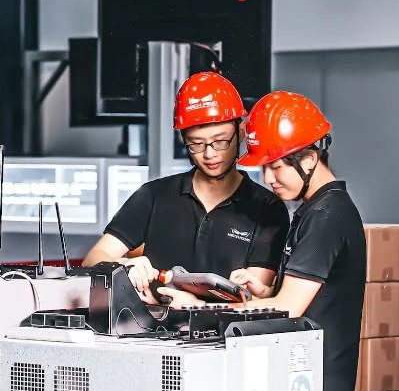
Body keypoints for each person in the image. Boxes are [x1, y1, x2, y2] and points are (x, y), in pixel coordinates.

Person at [158, 90, 366, 391]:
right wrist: (261, 292)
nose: (268, 179)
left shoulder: (328, 215)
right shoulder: (313, 211)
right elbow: (303, 297)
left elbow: (289, 309)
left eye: (277, 165)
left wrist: (197, 308)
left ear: (311, 158)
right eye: (264, 167)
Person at [81, 71, 290, 303]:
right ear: (184, 140)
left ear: (240, 132)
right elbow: (92, 259)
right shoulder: (154, 195)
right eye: (196, 144)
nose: (210, 154)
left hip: (224, 335)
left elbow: (251, 297)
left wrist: (194, 307)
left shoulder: (267, 210)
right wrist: (123, 264)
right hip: (147, 332)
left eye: (220, 141)